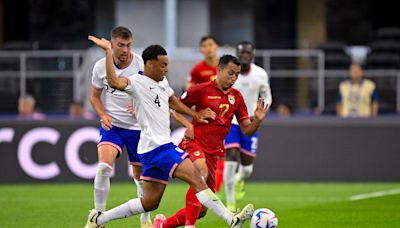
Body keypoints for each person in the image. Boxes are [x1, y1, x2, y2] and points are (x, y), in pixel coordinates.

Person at [85, 36, 255, 228]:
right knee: (198, 178)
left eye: (167, 65)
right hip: (159, 148)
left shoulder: (162, 83)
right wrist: (108, 52)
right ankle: (231, 219)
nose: (166, 69)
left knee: (150, 202)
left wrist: (195, 115)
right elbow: (114, 81)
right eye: (163, 65)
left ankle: (98, 219)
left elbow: (174, 102)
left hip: (151, 151)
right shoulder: (135, 82)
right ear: (149, 64)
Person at [155, 55, 269, 228]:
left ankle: (161, 225)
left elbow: (246, 130)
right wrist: (189, 124)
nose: (233, 78)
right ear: (219, 70)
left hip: (213, 153)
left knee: (202, 209)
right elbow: (174, 108)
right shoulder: (201, 90)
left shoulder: (237, 97)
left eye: (237, 75)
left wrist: (258, 120)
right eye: (230, 73)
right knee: (200, 173)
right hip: (194, 143)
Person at [89, 26, 151, 228]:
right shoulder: (100, 66)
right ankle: (98, 216)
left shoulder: (141, 63)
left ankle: (145, 217)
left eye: (128, 45)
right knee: (103, 168)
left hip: (137, 127)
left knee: (140, 176)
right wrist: (103, 114)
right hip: (113, 125)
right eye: (121, 45)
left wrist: (139, 100)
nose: (125, 50)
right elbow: (95, 96)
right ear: (111, 44)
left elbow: (152, 92)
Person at [223, 41, 272, 212]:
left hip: (250, 122)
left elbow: (267, 95)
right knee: (230, 158)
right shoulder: (228, 74)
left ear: (252, 55)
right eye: (241, 53)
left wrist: (260, 112)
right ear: (236, 54)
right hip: (231, 123)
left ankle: (238, 180)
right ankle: (230, 203)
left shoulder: (260, 74)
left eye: (248, 53)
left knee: (247, 168)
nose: (245, 56)